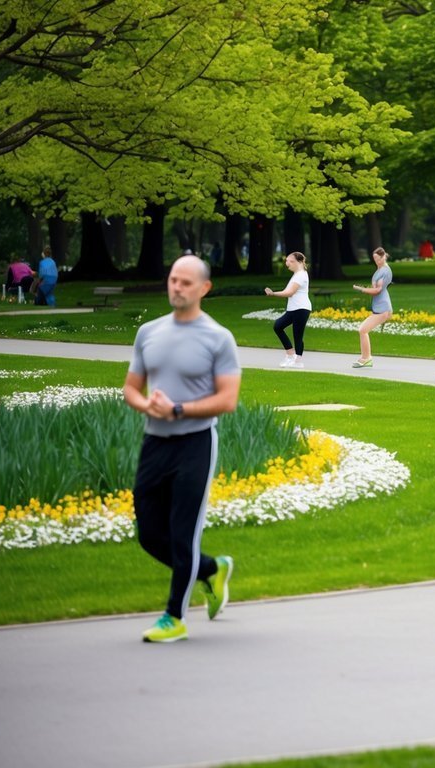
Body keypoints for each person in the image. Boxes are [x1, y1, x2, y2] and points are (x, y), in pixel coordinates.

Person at [121, 256, 240, 643]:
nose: (177, 287)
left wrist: (179, 409)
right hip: (155, 441)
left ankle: (174, 616)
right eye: (173, 279)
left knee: (182, 533)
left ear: (204, 289)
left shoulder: (218, 338)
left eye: (186, 282)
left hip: (195, 443)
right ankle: (211, 569)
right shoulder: (148, 332)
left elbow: (227, 400)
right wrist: (147, 405)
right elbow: (130, 388)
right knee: (149, 534)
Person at [265, 251, 311, 368]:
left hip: (301, 308)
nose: (287, 264)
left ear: (299, 262)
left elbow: (290, 292)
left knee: (297, 334)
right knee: (278, 326)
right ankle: (290, 355)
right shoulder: (297, 275)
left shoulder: (301, 275)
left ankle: (298, 361)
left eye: (290, 261)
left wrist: (273, 293)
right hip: (293, 309)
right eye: (286, 261)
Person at [351, 247, 392, 368]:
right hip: (379, 307)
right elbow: (375, 287)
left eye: (378, 258)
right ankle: (366, 358)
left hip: (383, 308)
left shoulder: (385, 271)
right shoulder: (379, 270)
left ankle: (366, 358)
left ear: (383, 257)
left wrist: (361, 289)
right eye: (374, 258)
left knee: (363, 330)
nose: (376, 261)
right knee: (363, 330)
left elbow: (378, 290)